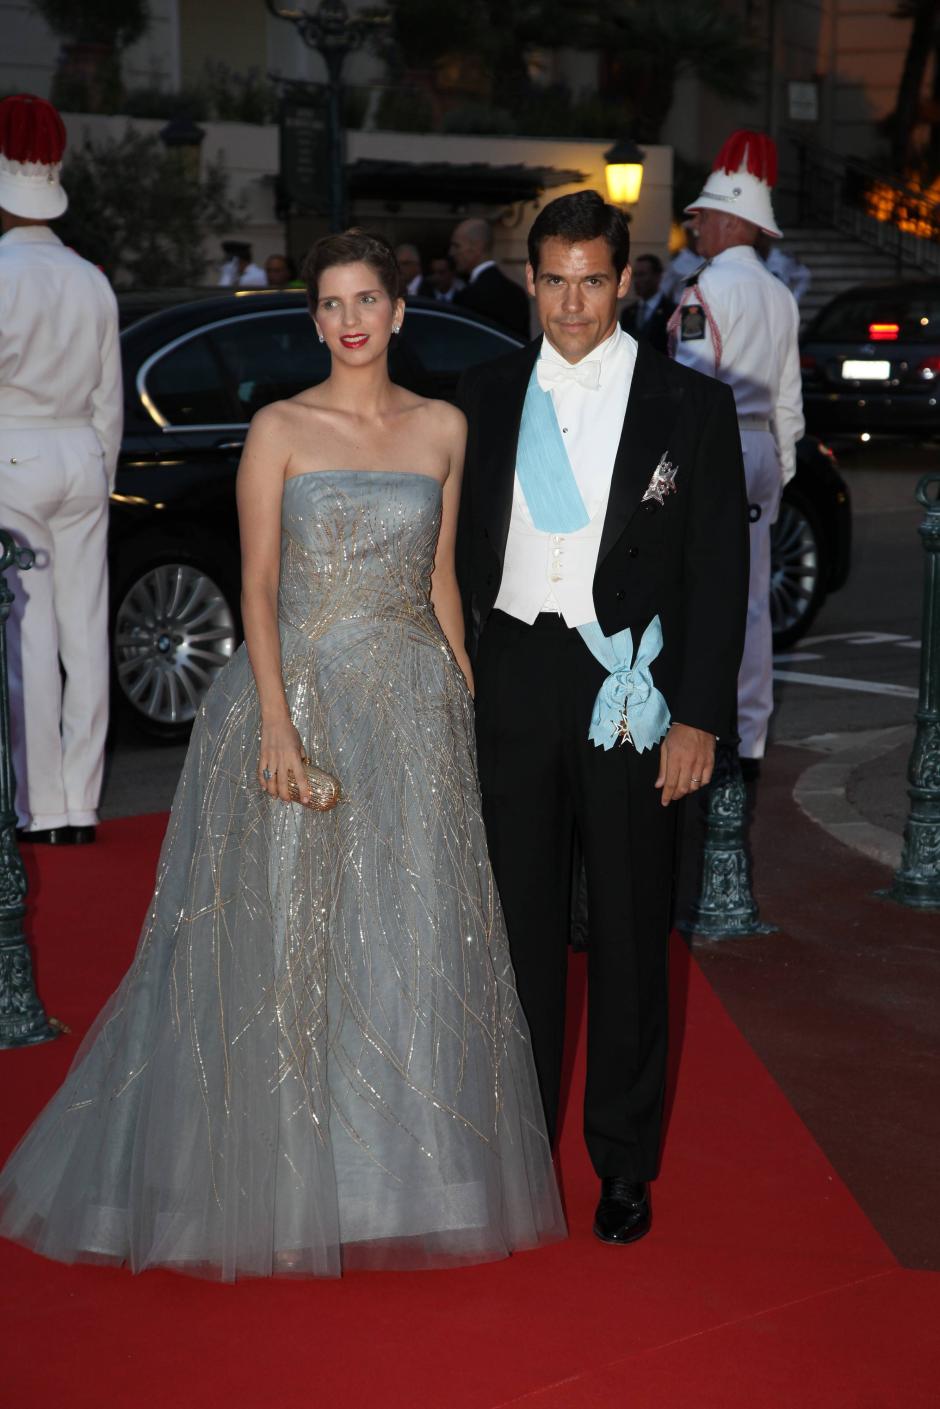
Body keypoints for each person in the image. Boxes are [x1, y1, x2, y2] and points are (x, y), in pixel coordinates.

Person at [0, 229, 564, 1280]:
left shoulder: (443, 427)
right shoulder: (278, 426)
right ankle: (278, 1172)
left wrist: (471, 708)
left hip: (411, 706)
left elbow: (442, 581)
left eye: (367, 300)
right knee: (283, 941)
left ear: (398, 312)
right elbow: (256, 586)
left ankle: (393, 1176)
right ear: (316, 320)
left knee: (404, 933)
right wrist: (273, 719)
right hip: (297, 697)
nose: (350, 320)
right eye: (331, 304)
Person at [456, 191, 748, 1245]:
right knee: (516, 930)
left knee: (628, 929)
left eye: (590, 279)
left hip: (630, 684)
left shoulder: (690, 407)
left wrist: (700, 719)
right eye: (552, 280)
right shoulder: (482, 395)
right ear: (528, 280)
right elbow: (450, 556)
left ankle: (623, 1164)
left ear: (624, 280)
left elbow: (721, 575)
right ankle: (516, 1150)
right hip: (516, 679)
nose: (571, 303)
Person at [0, 93, 122, 846]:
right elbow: (110, 397)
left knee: (28, 635)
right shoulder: (91, 278)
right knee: (84, 628)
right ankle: (81, 801)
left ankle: (42, 806)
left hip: (14, 451)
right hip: (82, 453)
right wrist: (97, 468)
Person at [672, 131, 804, 770]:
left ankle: (705, 722)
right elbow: (789, 400)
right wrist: (783, 469)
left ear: (729, 220)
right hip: (764, 450)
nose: (693, 224)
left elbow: (692, 389)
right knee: (752, 599)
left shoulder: (706, 291)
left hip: (719, 447)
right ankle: (750, 734)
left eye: (701, 215)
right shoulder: (780, 294)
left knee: (702, 588)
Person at [450, 218, 531, 337]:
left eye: (457, 246)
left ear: (477, 247)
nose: (451, 252)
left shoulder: (469, 297)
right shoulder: (516, 293)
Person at [620, 253, 675, 353]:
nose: (636, 281)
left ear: (657, 276)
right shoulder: (628, 313)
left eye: (642, 275)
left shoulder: (672, 312)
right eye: (635, 275)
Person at [755, 230, 812, 306]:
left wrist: (795, 298)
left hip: (781, 304)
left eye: (762, 238)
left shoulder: (783, 258)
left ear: (768, 239)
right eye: (757, 240)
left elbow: (805, 275)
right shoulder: (752, 258)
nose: (759, 242)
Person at [659, 219, 701, 303]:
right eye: (695, 234)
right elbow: (664, 290)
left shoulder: (709, 258)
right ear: (688, 236)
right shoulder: (677, 261)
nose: (698, 238)